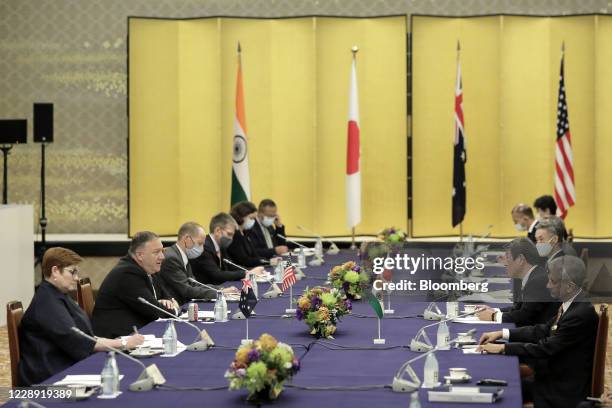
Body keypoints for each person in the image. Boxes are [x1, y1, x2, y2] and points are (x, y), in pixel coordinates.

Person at [478, 256, 598, 408]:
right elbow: (542, 330)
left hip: (560, 389)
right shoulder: (572, 302)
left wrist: (503, 348)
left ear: (569, 286)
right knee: (495, 382)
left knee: (500, 392)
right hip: (551, 376)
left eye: (552, 281)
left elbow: (545, 348)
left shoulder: (579, 314)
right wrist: (503, 333)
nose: (547, 286)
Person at [19, 248, 144, 386]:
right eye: (72, 272)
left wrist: (123, 343)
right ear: (55, 271)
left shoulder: (59, 295)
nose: (76, 278)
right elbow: (79, 341)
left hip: (65, 364)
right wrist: (124, 343)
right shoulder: (47, 303)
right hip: (50, 377)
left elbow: (85, 336)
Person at [92, 231, 179, 338]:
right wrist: (174, 308)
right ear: (140, 255)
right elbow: (155, 311)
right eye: (156, 252)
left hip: (137, 330)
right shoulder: (128, 274)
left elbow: (165, 295)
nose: (162, 257)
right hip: (117, 337)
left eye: (162, 251)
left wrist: (168, 301)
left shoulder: (148, 269)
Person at [476, 238, 558, 326]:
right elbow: (519, 309)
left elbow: (525, 316)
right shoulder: (533, 275)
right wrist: (494, 310)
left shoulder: (537, 280)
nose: (504, 263)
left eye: (508, 257)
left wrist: (494, 316)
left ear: (520, 259)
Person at [159, 222, 224, 305]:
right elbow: (187, 290)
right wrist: (219, 293)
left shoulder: (182, 255)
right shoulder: (171, 258)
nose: (202, 249)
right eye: (200, 243)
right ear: (187, 239)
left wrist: (220, 289)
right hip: (176, 306)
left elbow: (194, 284)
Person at [190, 213, 264, 285]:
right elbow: (217, 274)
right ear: (217, 231)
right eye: (229, 234)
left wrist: (250, 271)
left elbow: (230, 266)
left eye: (232, 235)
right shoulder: (204, 246)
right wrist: (246, 273)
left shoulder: (221, 245)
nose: (231, 239)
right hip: (206, 291)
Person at [227, 201, 278, 267]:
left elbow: (255, 254)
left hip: (252, 268)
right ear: (240, 217)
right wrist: (268, 262)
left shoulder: (245, 232)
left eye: (254, 218)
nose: (253, 221)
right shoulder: (234, 235)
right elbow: (244, 261)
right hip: (242, 272)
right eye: (251, 218)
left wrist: (267, 261)